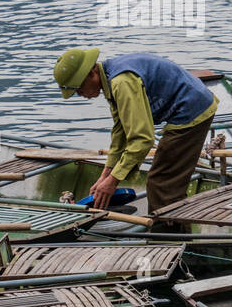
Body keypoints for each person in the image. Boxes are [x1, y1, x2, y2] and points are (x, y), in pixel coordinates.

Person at [53, 49, 218, 223]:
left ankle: (166, 240)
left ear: (92, 71)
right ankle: (171, 231)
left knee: (161, 183)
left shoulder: (121, 82)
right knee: (166, 181)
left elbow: (143, 139)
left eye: (78, 88)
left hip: (191, 110)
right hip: (187, 105)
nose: (80, 94)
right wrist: (106, 174)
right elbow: (120, 131)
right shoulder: (110, 79)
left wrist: (113, 182)